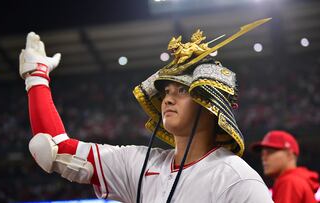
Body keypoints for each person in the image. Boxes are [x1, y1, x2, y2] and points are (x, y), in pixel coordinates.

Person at [19, 28, 273, 203]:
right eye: (166, 91)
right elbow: (54, 149)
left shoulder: (237, 179)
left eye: (182, 90)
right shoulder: (140, 164)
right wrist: (37, 76)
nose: (168, 98)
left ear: (209, 105)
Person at [251, 130, 320, 203]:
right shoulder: (297, 180)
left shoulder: (289, 182)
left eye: (270, 152)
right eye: (262, 154)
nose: (263, 158)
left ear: (290, 155)